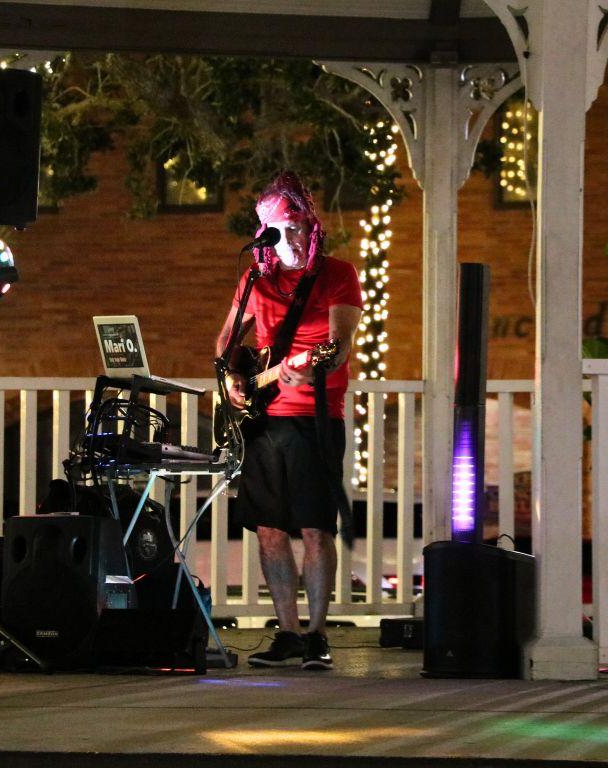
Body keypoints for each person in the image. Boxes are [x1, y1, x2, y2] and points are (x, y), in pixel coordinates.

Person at [215, 171, 363, 670]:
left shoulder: (338, 273)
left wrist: (315, 365)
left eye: (298, 226)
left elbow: (340, 346)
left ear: (311, 225)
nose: (292, 238)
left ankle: (318, 634)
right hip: (262, 421)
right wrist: (233, 381)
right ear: (265, 234)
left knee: (315, 528)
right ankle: (289, 633)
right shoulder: (255, 278)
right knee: (269, 530)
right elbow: (225, 346)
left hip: (315, 418)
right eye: (280, 229)